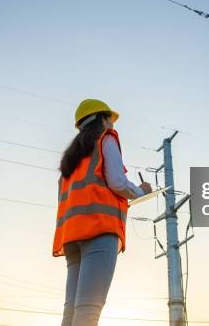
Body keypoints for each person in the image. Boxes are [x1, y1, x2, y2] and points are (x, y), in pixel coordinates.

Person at [53, 99, 152, 326]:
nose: (113, 126)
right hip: (99, 231)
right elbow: (117, 182)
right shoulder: (106, 140)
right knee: (88, 309)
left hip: (72, 237)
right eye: (111, 120)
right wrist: (141, 191)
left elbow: (85, 192)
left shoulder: (70, 160)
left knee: (71, 310)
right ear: (102, 120)